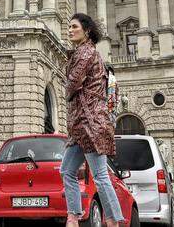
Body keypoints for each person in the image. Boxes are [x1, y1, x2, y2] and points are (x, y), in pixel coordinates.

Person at [62, 13, 125, 227]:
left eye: (74, 27)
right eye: (69, 27)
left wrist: (68, 88)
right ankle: (73, 217)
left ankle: (114, 221)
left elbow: (73, 84)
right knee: (67, 171)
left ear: (86, 30)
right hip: (81, 125)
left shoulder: (86, 52)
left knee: (99, 176)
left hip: (90, 124)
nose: (69, 30)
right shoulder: (83, 52)